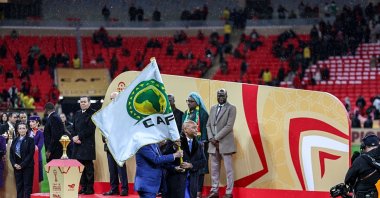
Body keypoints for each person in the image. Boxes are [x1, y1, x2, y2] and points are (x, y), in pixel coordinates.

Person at [206, 89, 236, 198]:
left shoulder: (232, 108)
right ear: (217, 96)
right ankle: (214, 191)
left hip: (225, 143)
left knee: (228, 170)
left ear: (226, 96)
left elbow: (229, 126)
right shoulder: (213, 108)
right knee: (214, 169)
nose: (221, 97)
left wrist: (216, 138)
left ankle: (229, 192)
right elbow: (208, 125)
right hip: (213, 144)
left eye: (223, 96)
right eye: (219, 96)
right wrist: (211, 138)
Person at [165, 120, 207, 198]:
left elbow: (203, 162)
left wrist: (191, 165)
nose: (196, 130)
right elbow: (165, 161)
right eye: (193, 128)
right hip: (176, 183)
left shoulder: (199, 144)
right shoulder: (174, 142)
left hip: (192, 185)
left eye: (196, 128)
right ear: (185, 130)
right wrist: (175, 168)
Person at [182, 92, 209, 198]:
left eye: (191, 101)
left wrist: (203, 143)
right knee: (186, 166)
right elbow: (182, 129)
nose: (188, 103)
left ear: (197, 102)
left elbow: (204, 130)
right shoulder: (185, 113)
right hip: (186, 145)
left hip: (199, 145)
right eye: (187, 101)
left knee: (199, 168)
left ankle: (198, 192)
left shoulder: (203, 113)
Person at [103, 92, 128, 196]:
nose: (113, 100)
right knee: (112, 169)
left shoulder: (124, 112)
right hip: (109, 145)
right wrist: (104, 138)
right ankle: (114, 189)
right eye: (111, 99)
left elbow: (126, 129)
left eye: (115, 98)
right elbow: (103, 127)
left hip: (119, 146)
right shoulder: (107, 112)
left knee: (121, 168)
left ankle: (124, 189)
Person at [72, 96, 96, 195]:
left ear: (89, 103)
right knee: (80, 167)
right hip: (77, 145)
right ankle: (83, 187)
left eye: (85, 102)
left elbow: (91, 129)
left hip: (87, 144)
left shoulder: (93, 113)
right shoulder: (77, 113)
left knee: (88, 167)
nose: (83, 103)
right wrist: (74, 137)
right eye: (81, 102)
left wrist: (79, 137)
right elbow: (73, 127)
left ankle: (90, 188)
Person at [10, 123, 35, 198]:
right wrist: (14, 164)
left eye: (23, 128)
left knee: (27, 187)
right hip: (17, 167)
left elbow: (30, 155)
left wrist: (22, 165)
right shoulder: (15, 140)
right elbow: (11, 154)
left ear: (26, 129)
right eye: (20, 128)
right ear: (17, 130)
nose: (22, 130)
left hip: (27, 167)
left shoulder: (30, 140)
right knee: (19, 187)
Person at [28, 115, 44, 183]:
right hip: (28, 158)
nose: (30, 123)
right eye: (30, 121)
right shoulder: (27, 132)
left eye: (33, 121)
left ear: (37, 123)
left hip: (37, 158)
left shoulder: (40, 133)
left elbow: (40, 146)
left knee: (38, 178)